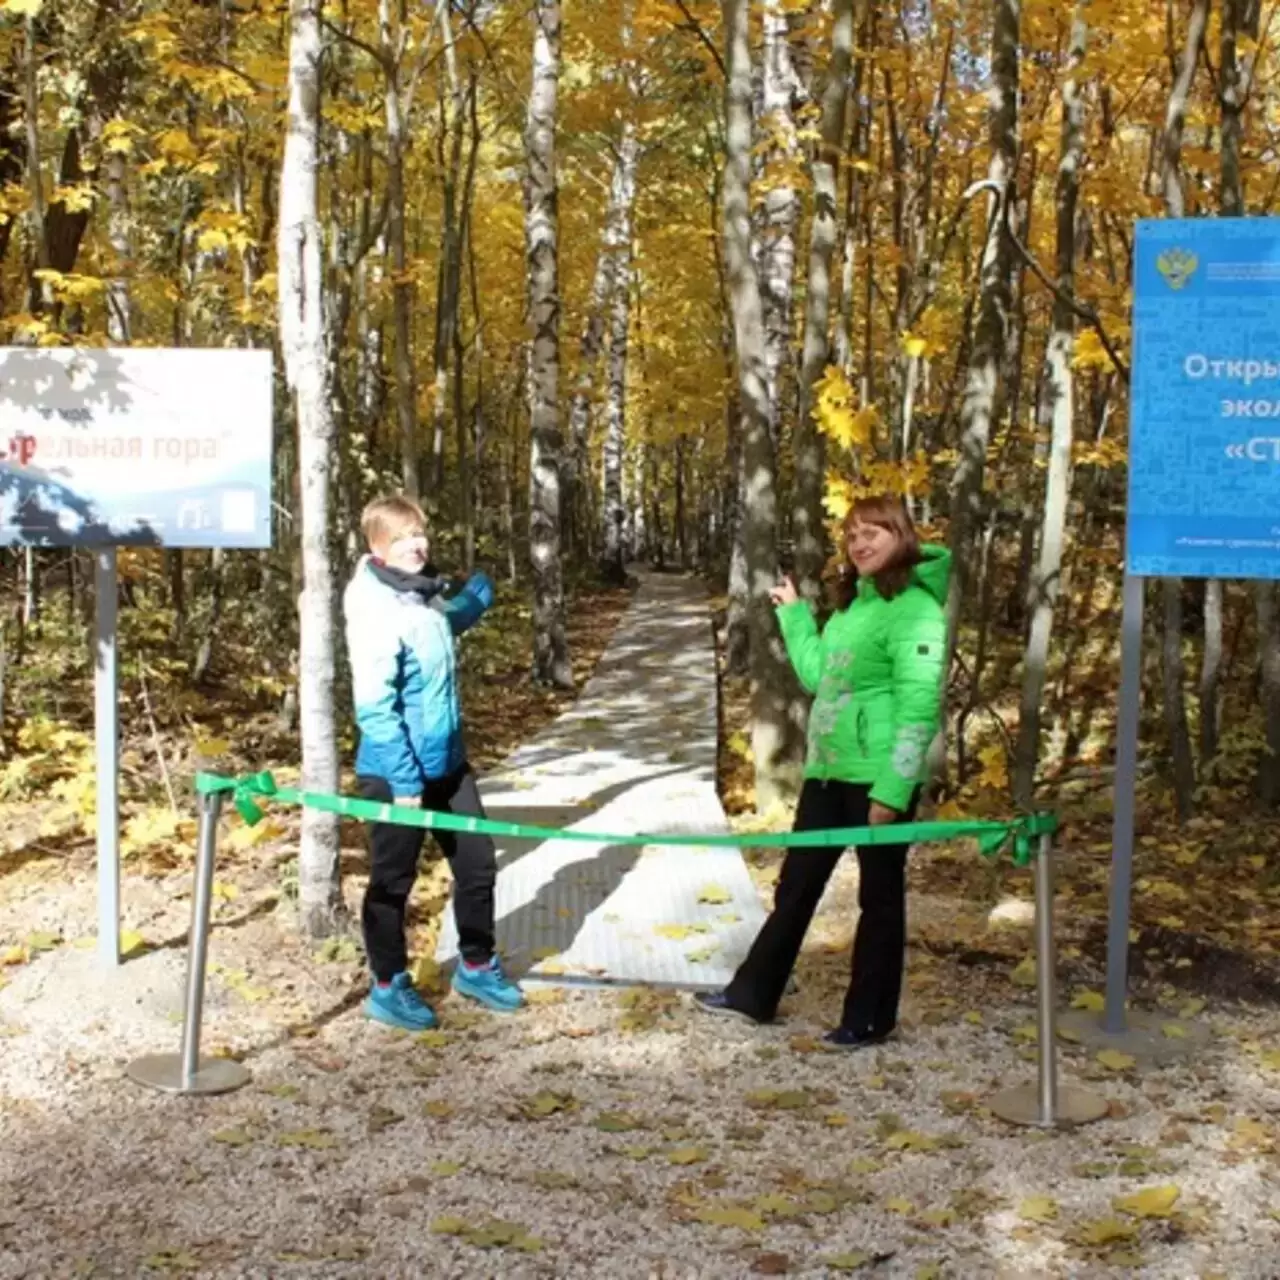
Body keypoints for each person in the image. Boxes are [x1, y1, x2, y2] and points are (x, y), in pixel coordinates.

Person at [697, 495, 949, 1049]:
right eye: (852, 534)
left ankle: (869, 1019)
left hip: (879, 778)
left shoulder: (916, 608)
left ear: (900, 537)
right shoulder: (853, 606)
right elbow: (818, 678)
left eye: (873, 533)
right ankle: (753, 995)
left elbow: (918, 706)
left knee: (879, 899)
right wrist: (792, 613)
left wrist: (894, 789)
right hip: (828, 774)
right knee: (797, 887)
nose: (859, 544)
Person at [343, 494, 523, 1030]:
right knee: (392, 880)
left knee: (477, 863)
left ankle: (475, 964)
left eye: (418, 534)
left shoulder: (421, 595)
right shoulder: (376, 606)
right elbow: (375, 707)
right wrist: (403, 782)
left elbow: (443, 626)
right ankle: (387, 984)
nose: (415, 545)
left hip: (447, 760)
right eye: (401, 538)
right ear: (377, 546)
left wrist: (474, 602)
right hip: (395, 770)